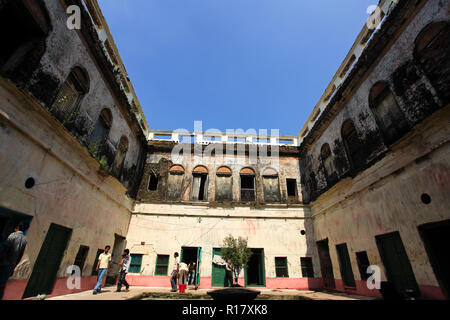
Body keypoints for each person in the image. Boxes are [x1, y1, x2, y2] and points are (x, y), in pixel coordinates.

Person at [0, 221, 29, 300]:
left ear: (18, 227)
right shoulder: (24, 240)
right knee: (3, 284)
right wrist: (14, 266)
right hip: (11, 265)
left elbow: (5, 249)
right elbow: (20, 255)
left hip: (3, 263)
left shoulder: (12, 235)